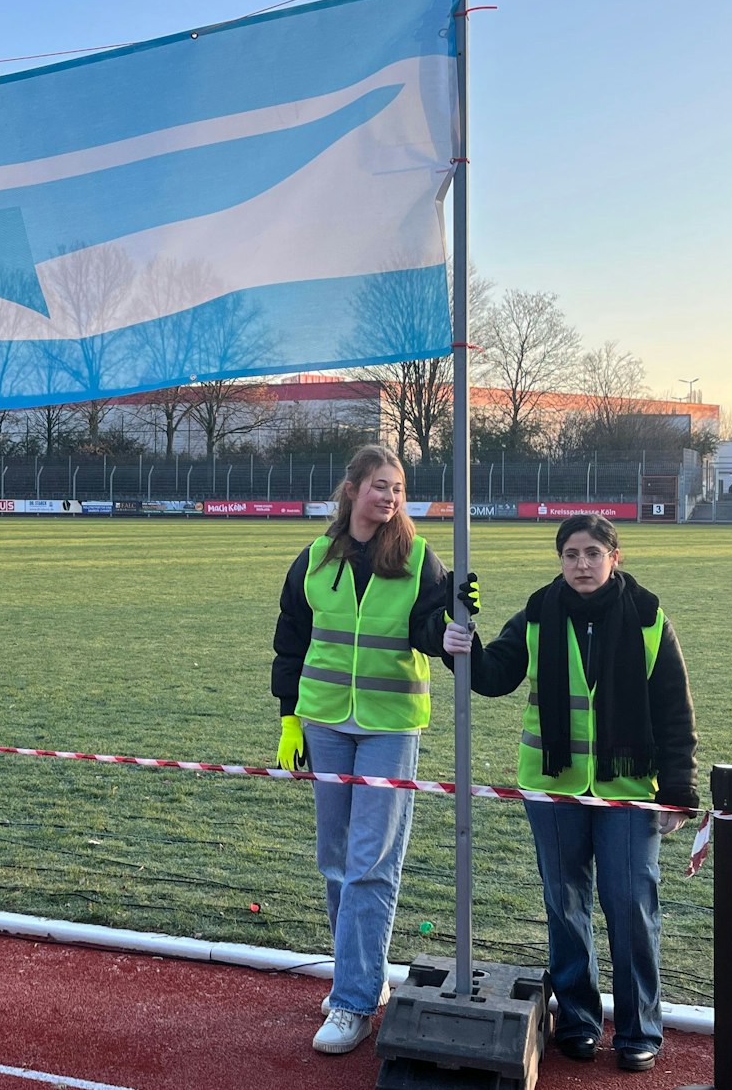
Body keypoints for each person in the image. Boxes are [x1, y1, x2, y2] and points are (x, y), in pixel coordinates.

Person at [445, 514, 698, 1073]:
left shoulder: (649, 615)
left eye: (592, 553)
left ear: (615, 556)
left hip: (628, 792)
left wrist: (679, 790)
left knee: (631, 907)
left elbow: (674, 710)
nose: (581, 565)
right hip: (553, 789)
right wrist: (461, 638)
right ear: (560, 560)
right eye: (570, 555)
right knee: (565, 906)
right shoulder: (539, 610)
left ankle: (638, 1030)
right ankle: (579, 1021)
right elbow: (491, 676)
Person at [271, 445, 455, 1055]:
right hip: (323, 722)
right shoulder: (315, 559)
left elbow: (429, 632)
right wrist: (289, 721)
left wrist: (453, 622)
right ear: (351, 490)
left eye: (398, 488)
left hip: (390, 725)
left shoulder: (420, 559)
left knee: (371, 862)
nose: (391, 498)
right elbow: (291, 643)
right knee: (334, 860)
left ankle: (352, 1001)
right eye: (380, 486)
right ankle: (361, 975)